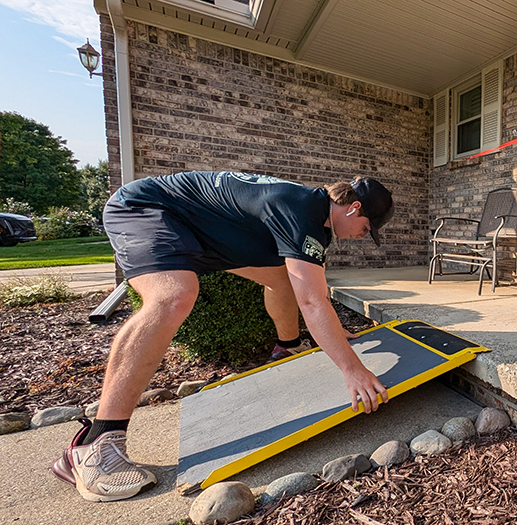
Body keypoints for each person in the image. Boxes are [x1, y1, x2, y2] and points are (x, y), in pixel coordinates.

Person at [50, 170, 394, 502]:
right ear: (354, 208)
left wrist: (334, 334)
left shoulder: (310, 215)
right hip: (147, 209)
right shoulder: (301, 210)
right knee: (173, 296)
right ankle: (95, 444)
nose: (364, 236)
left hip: (201, 231)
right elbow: (313, 302)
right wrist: (353, 370)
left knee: (281, 274)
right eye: (367, 228)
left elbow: (304, 288)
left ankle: (287, 347)